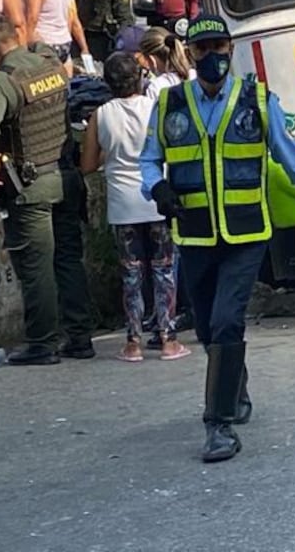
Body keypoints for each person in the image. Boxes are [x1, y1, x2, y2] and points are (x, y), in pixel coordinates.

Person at [139, 14, 295, 463]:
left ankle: (219, 425)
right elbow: (149, 160)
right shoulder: (170, 104)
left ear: (232, 50)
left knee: (228, 319)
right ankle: (235, 386)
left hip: (247, 233)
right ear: (190, 54)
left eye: (220, 47)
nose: (213, 57)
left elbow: (292, 156)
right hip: (193, 235)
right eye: (203, 49)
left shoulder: (258, 101)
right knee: (210, 328)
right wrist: (156, 186)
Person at [0, 16, 95, 364]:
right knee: (68, 258)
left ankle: (42, 342)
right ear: (18, 36)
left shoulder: (3, 84)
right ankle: (80, 336)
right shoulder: (51, 65)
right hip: (67, 178)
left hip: (32, 184)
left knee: (37, 264)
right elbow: (40, 44)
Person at [81, 53, 191, 363]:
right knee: (164, 270)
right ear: (140, 79)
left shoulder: (100, 116)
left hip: (122, 206)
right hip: (157, 199)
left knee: (131, 275)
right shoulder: (155, 108)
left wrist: (111, 154)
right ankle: (168, 339)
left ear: (108, 84)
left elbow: (87, 164)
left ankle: (132, 342)